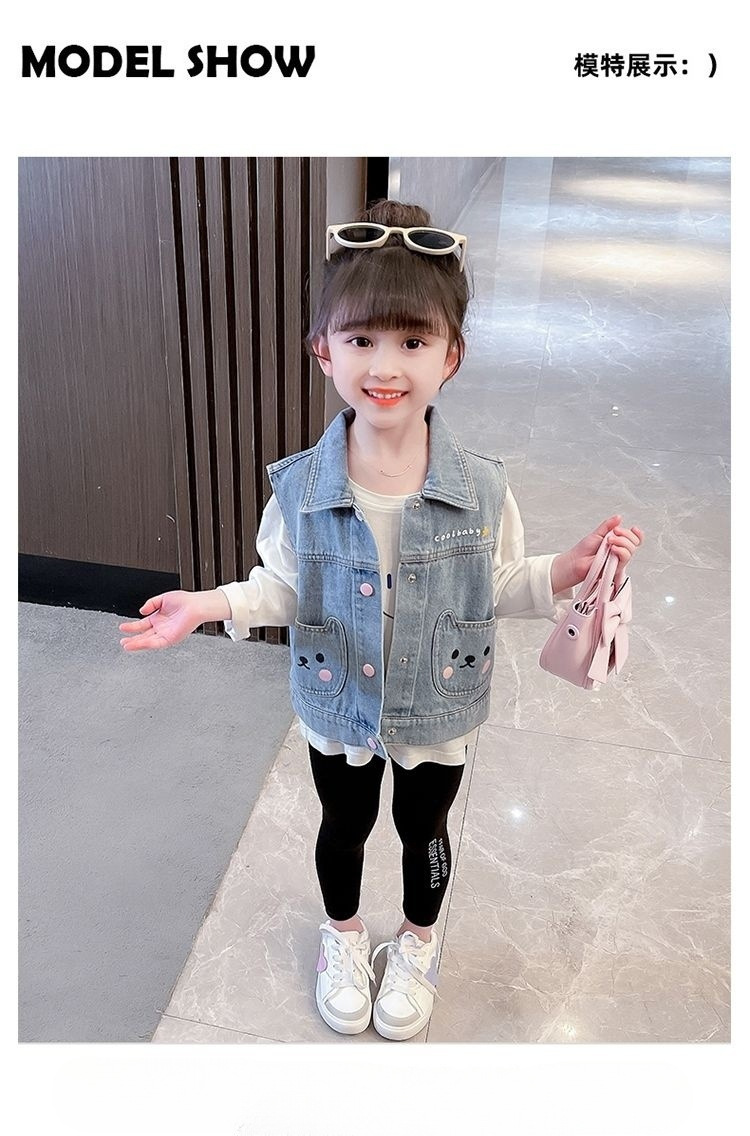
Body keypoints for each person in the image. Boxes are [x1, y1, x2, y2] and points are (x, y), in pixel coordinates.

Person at [119, 199, 644, 1041]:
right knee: (345, 823)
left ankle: (418, 942)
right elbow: (284, 589)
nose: (385, 366)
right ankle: (343, 937)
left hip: (440, 706)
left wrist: (564, 571)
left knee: (422, 827)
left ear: (451, 356)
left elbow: (496, 583)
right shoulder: (301, 487)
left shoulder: (481, 487)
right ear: (323, 348)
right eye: (361, 339)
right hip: (338, 706)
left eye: (413, 341)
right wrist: (209, 605)